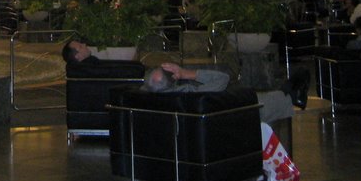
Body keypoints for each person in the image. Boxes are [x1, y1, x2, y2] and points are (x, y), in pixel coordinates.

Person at [62, 42, 309, 114]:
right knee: (267, 99)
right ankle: (290, 95)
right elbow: (222, 79)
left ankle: (289, 91)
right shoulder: (190, 95)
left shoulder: (146, 101)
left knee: (269, 96)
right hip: (233, 109)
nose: (85, 44)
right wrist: (187, 73)